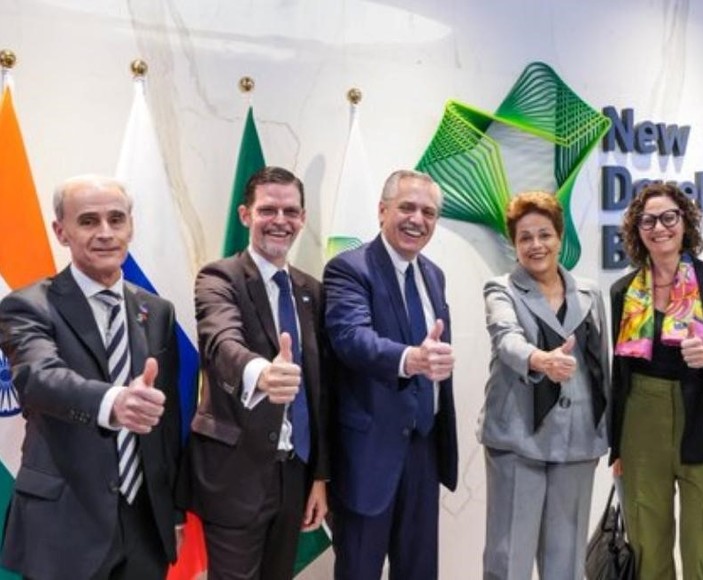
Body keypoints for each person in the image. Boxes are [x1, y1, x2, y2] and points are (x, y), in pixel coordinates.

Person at [0, 175, 181, 579]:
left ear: (130, 226)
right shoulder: (26, 305)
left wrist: (173, 513)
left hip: (144, 523)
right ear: (61, 231)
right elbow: (40, 378)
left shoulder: (158, 310)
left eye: (116, 219)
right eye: (88, 221)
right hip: (64, 523)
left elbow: (166, 423)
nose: (105, 233)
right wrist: (114, 403)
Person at [178, 166, 329, 580]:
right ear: (246, 215)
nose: (280, 221)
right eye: (268, 210)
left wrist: (319, 476)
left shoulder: (312, 291)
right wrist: (261, 373)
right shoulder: (218, 277)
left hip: (294, 476)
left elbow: (319, 393)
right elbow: (220, 342)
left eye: (291, 211)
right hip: (235, 474)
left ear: (302, 218)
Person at [323, 169, 458, 580]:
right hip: (369, 455)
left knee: (419, 572)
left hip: (423, 449)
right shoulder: (349, 268)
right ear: (382, 211)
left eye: (429, 212)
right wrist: (411, 359)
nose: (418, 219)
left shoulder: (434, 275)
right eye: (407, 207)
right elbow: (350, 338)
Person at [611, 182, 703, 579]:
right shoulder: (624, 290)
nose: (659, 227)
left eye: (669, 217)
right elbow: (621, 370)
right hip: (640, 417)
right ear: (637, 231)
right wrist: (614, 443)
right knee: (646, 532)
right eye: (647, 220)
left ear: (685, 222)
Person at [477, 191, 609, 580]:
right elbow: (506, 339)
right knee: (509, 559)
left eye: (545, 234)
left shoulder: (590, 292)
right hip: (519, 437)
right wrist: (540, 360)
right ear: (514, 244)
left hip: (579, 440)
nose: (536, 245)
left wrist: (608, 430)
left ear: (560, 237)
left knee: (566, 562)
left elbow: (601, 367)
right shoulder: (500, 288)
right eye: (525, 237)